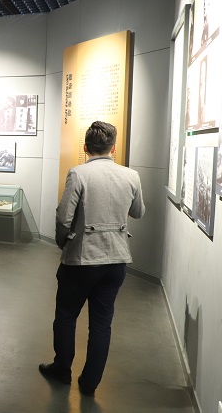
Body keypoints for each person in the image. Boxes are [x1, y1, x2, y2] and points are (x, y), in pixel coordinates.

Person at [39, 121, 145, 396]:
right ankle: (90, 383)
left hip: (81, 259)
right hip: (116, 259)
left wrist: (63, 243)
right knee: (101, 323)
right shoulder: (131, 175)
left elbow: (64, 218)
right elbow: (138, 212)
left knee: (66, 316)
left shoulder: (78, 173)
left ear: (85, 147)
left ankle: (62, 369)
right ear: (114, 147)